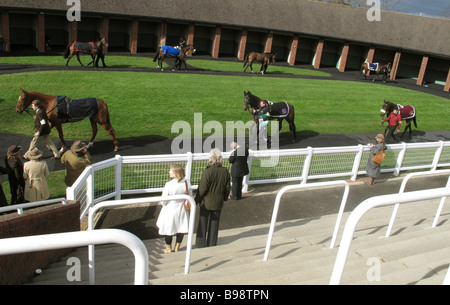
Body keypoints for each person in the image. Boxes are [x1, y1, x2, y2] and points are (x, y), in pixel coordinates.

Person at [195, 148, 231, 247]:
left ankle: (200, 244)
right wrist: (224, 198)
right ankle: (212, 243)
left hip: (206, 203)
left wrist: (195, 201)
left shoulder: (208, 172)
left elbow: (202, 189)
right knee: (214, 224)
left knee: (203, 223)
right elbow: (227, 187)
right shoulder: (225, 171)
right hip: (218, 202)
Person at [156, 164, 192, 253]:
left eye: (171, 171)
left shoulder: (169, 185)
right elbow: (190, 196)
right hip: (182, 209)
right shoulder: (187, 183)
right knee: (181, 228)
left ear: (175, 173)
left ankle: (168, 248)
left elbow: (163, 201)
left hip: (170, 209)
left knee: (169, 229)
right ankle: (177, 247)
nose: (169, 172)